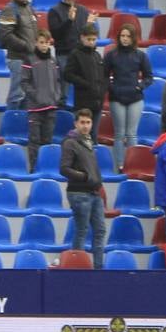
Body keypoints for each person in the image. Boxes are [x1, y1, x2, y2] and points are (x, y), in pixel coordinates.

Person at [59, 109, 106, 268]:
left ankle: (98, 268)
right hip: (79, 192)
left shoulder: (88, 141)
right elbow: (64, 169)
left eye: (88, 122)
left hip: (94, 192)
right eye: (82, 122)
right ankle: (77, 269)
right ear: (76, 123)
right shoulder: (70, 142)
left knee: (100, 231)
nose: (85, 126)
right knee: (82, 231)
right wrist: (85, 177)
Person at [100, 23, 152, 162]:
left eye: (128, 36)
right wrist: (111, 88)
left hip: (135, 97)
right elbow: (103, 75)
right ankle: (120, 165)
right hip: (116, 97)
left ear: (133, 38)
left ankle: (131, 163)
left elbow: (149, 77)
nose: (125, 39)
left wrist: (140, 87)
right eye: (122, 36)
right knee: (119, 133)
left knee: (131, 134)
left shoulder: (140, 55)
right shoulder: (111, 55)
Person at [21, 30, 63, 170]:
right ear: (36, 43)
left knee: (47, 141)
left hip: (51, 108)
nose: (44, 45)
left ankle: (45, 168)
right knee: (34, 141)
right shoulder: (29, 60)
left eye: (46, 43)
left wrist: (56, 96)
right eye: (41, 42)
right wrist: (35, 95)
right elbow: (24, 82)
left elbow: (58, 81)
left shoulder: (53, 60)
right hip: (35, 109)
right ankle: (34, 169)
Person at [0, 0, 38, 109]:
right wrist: (27, 46)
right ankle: (10, 126)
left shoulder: (30, 8)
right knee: (16, 96)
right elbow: (6, 35)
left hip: (30, 59)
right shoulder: (9, 9)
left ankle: (21, 126)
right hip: (17, 59)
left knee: (26, 96)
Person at [63, 23, 106, 124]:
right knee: (81, 133)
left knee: (94, 134)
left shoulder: (97, 55)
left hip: (98, 103)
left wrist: (103, 89)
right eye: (89, 39)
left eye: (94, 39)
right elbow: (67, 74)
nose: (91, 42)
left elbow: (102, 76)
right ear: (82, 37)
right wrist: (85, 83)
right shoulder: (75, 54)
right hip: (83, 103)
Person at [46, 0, 91, 72]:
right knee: (65, 85)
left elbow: (85, 34)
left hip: (81, 54)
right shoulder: (54, 11)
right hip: (64, 55)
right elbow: (55, 35)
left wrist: (89, 25)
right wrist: (69, 20)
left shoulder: (84, 10)